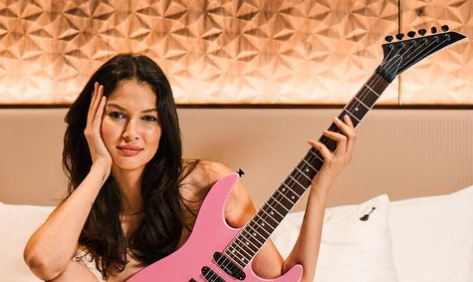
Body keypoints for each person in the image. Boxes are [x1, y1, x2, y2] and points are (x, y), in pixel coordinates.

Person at [23, 53, 357, 282]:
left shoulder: (207, 185)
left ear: (164, 127)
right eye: (117, 115)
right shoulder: (92, 210)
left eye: (149, 119)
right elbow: (44, 262)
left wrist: (320, 189)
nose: (131, 134)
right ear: (93, 120)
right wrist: (99, 168)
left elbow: (285, 276)